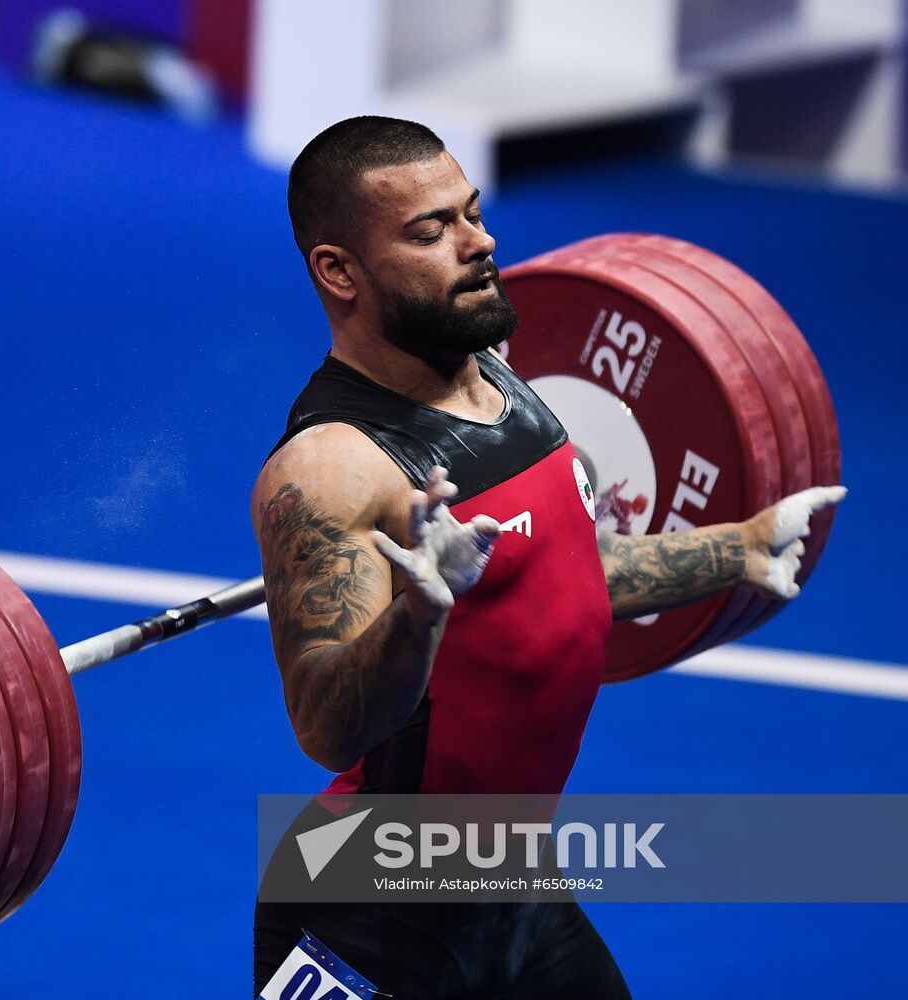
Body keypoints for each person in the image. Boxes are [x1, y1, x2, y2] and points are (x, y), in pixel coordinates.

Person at [250, 115, 845, 998]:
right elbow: (325, 728)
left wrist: (737, 549)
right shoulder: (328, 469)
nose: (479, 244)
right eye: (431, 231)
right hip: (366, 905)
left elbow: (565, 567)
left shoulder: (498, 378)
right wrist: (415, 616)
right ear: (338, 271)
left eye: (471, 213)